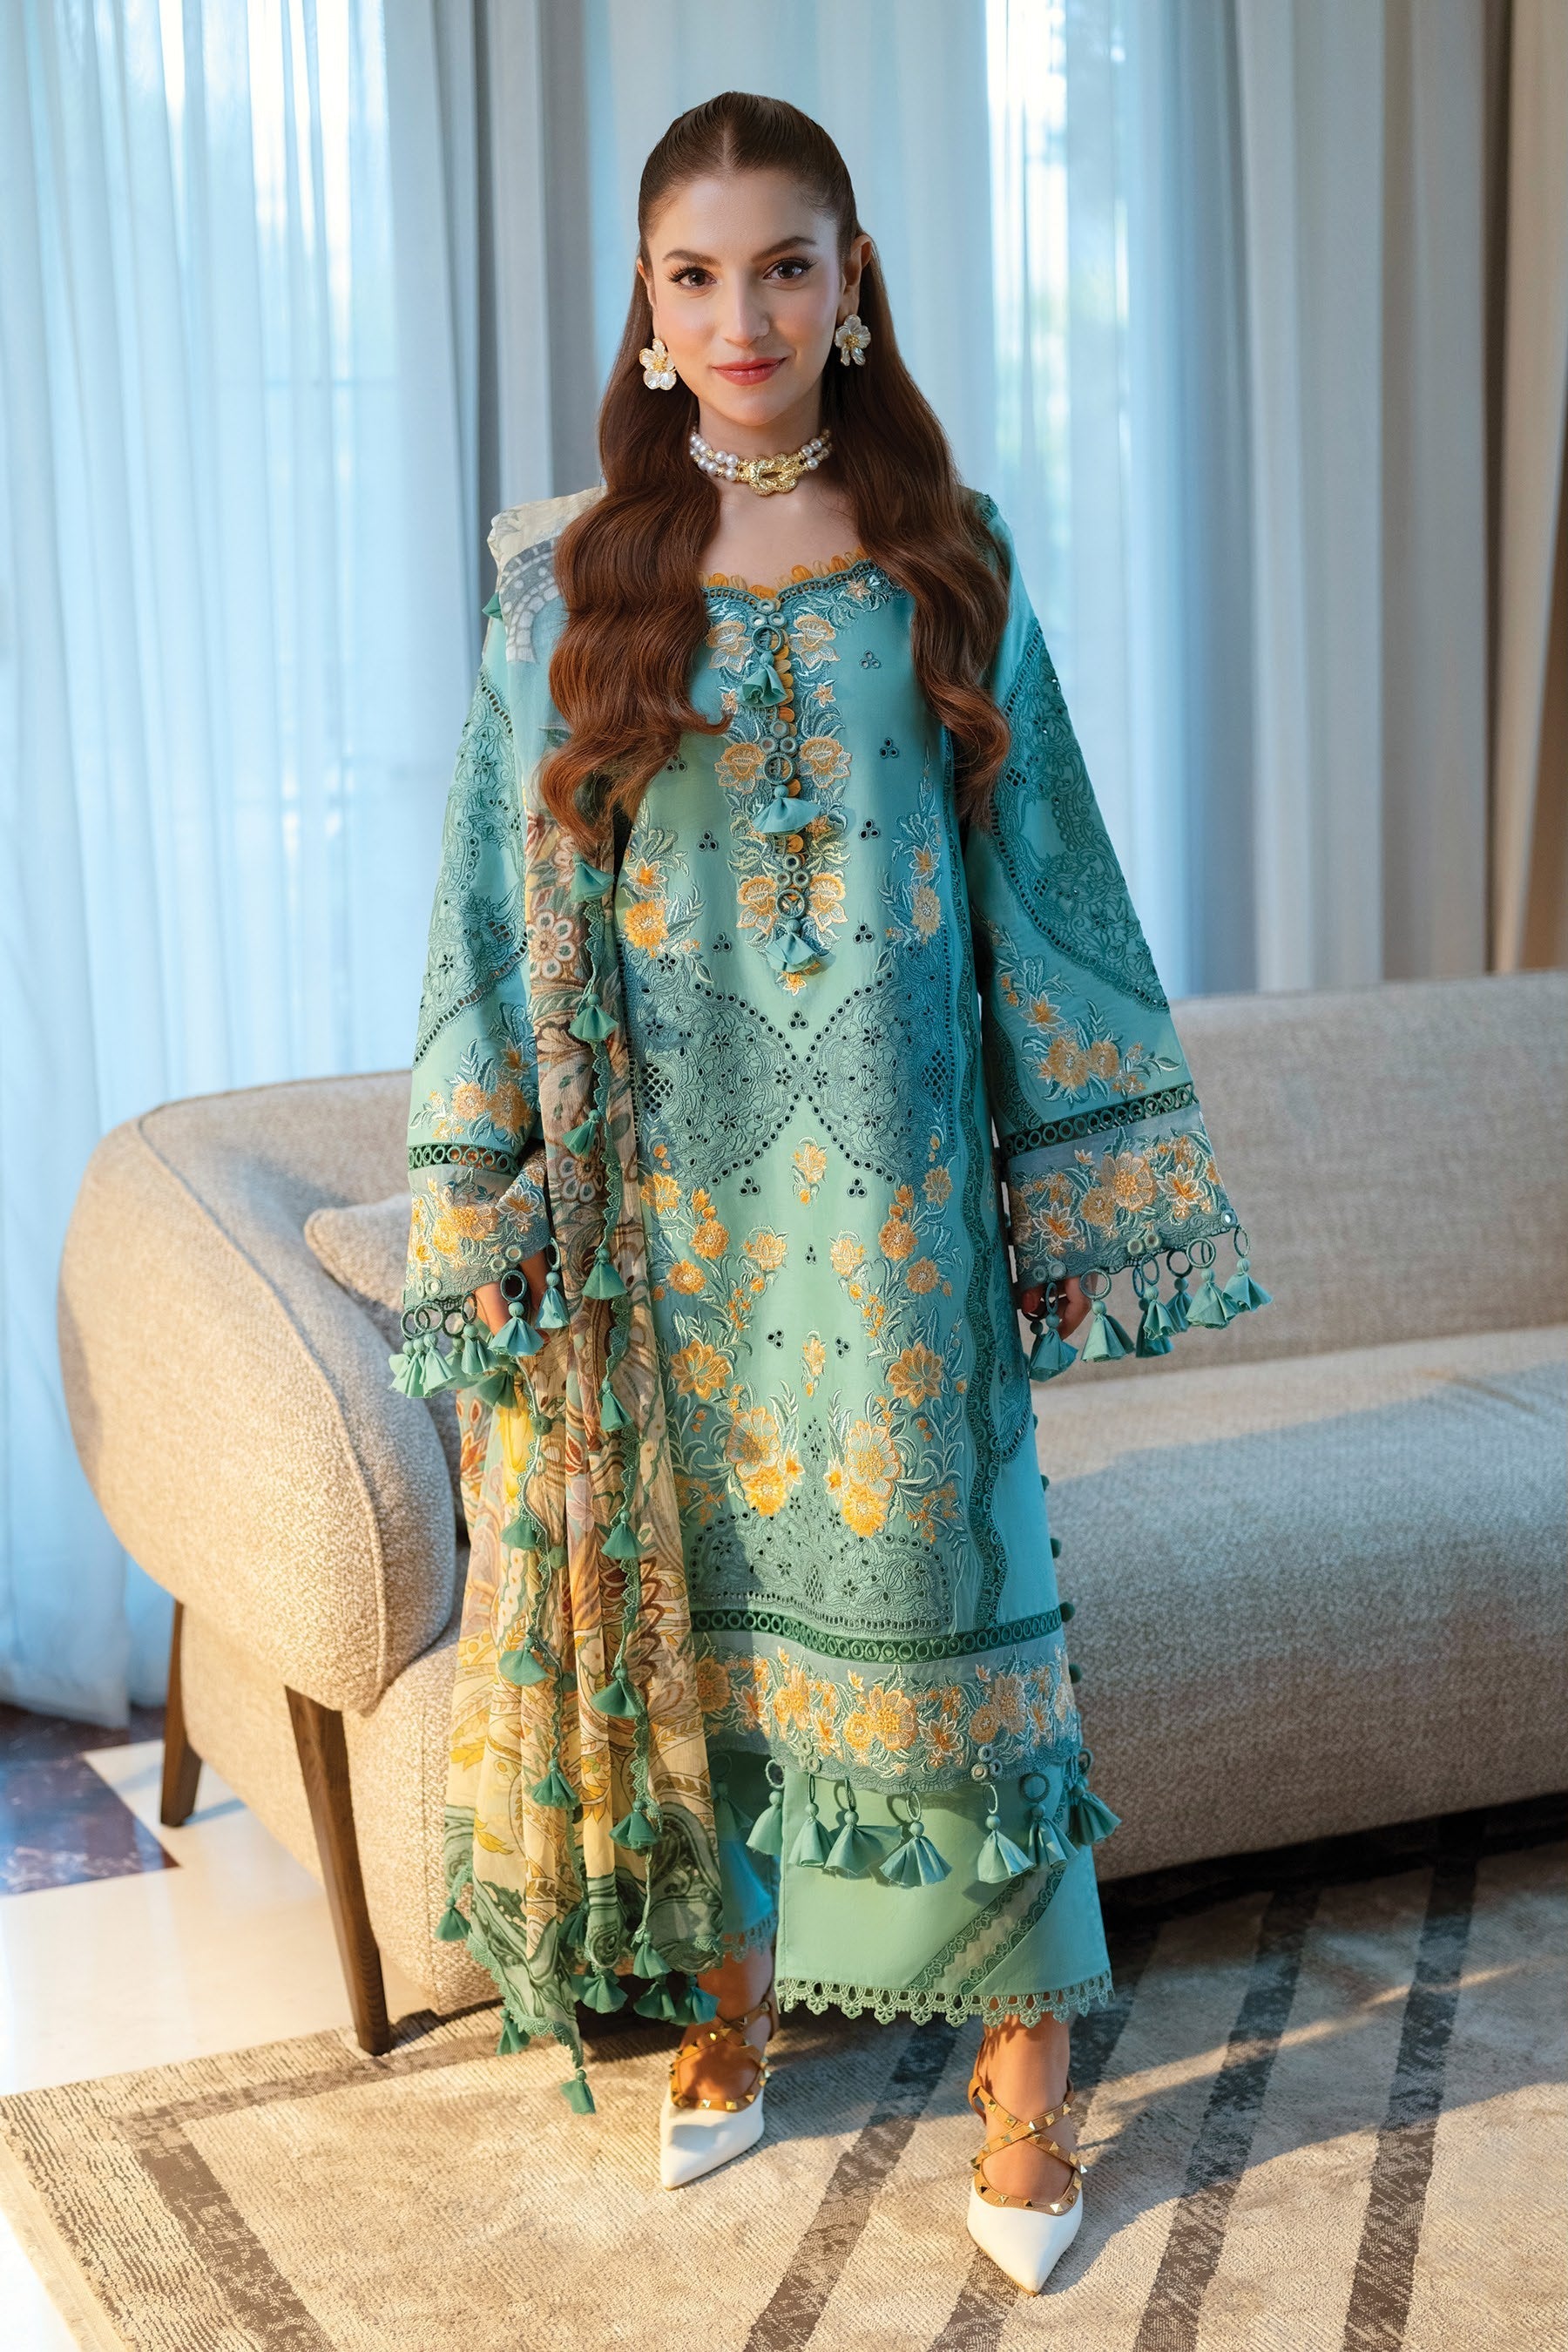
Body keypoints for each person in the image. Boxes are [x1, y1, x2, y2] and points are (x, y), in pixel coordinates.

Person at [392, 91, 1263, 2295]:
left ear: (851, 284)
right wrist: (491, 1203)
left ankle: (1025, 2081)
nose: (743, 315)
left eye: (785, 266)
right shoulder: (567, 585)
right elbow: (487, 920)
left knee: (965, 1630)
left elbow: (1046, 887)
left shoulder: (946, 554)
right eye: (697, 275)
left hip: (900, 1235)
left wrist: (1069, 1195)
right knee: (715, 1642)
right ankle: (731, 2007)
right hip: (668, 1242)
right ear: (648, 303)